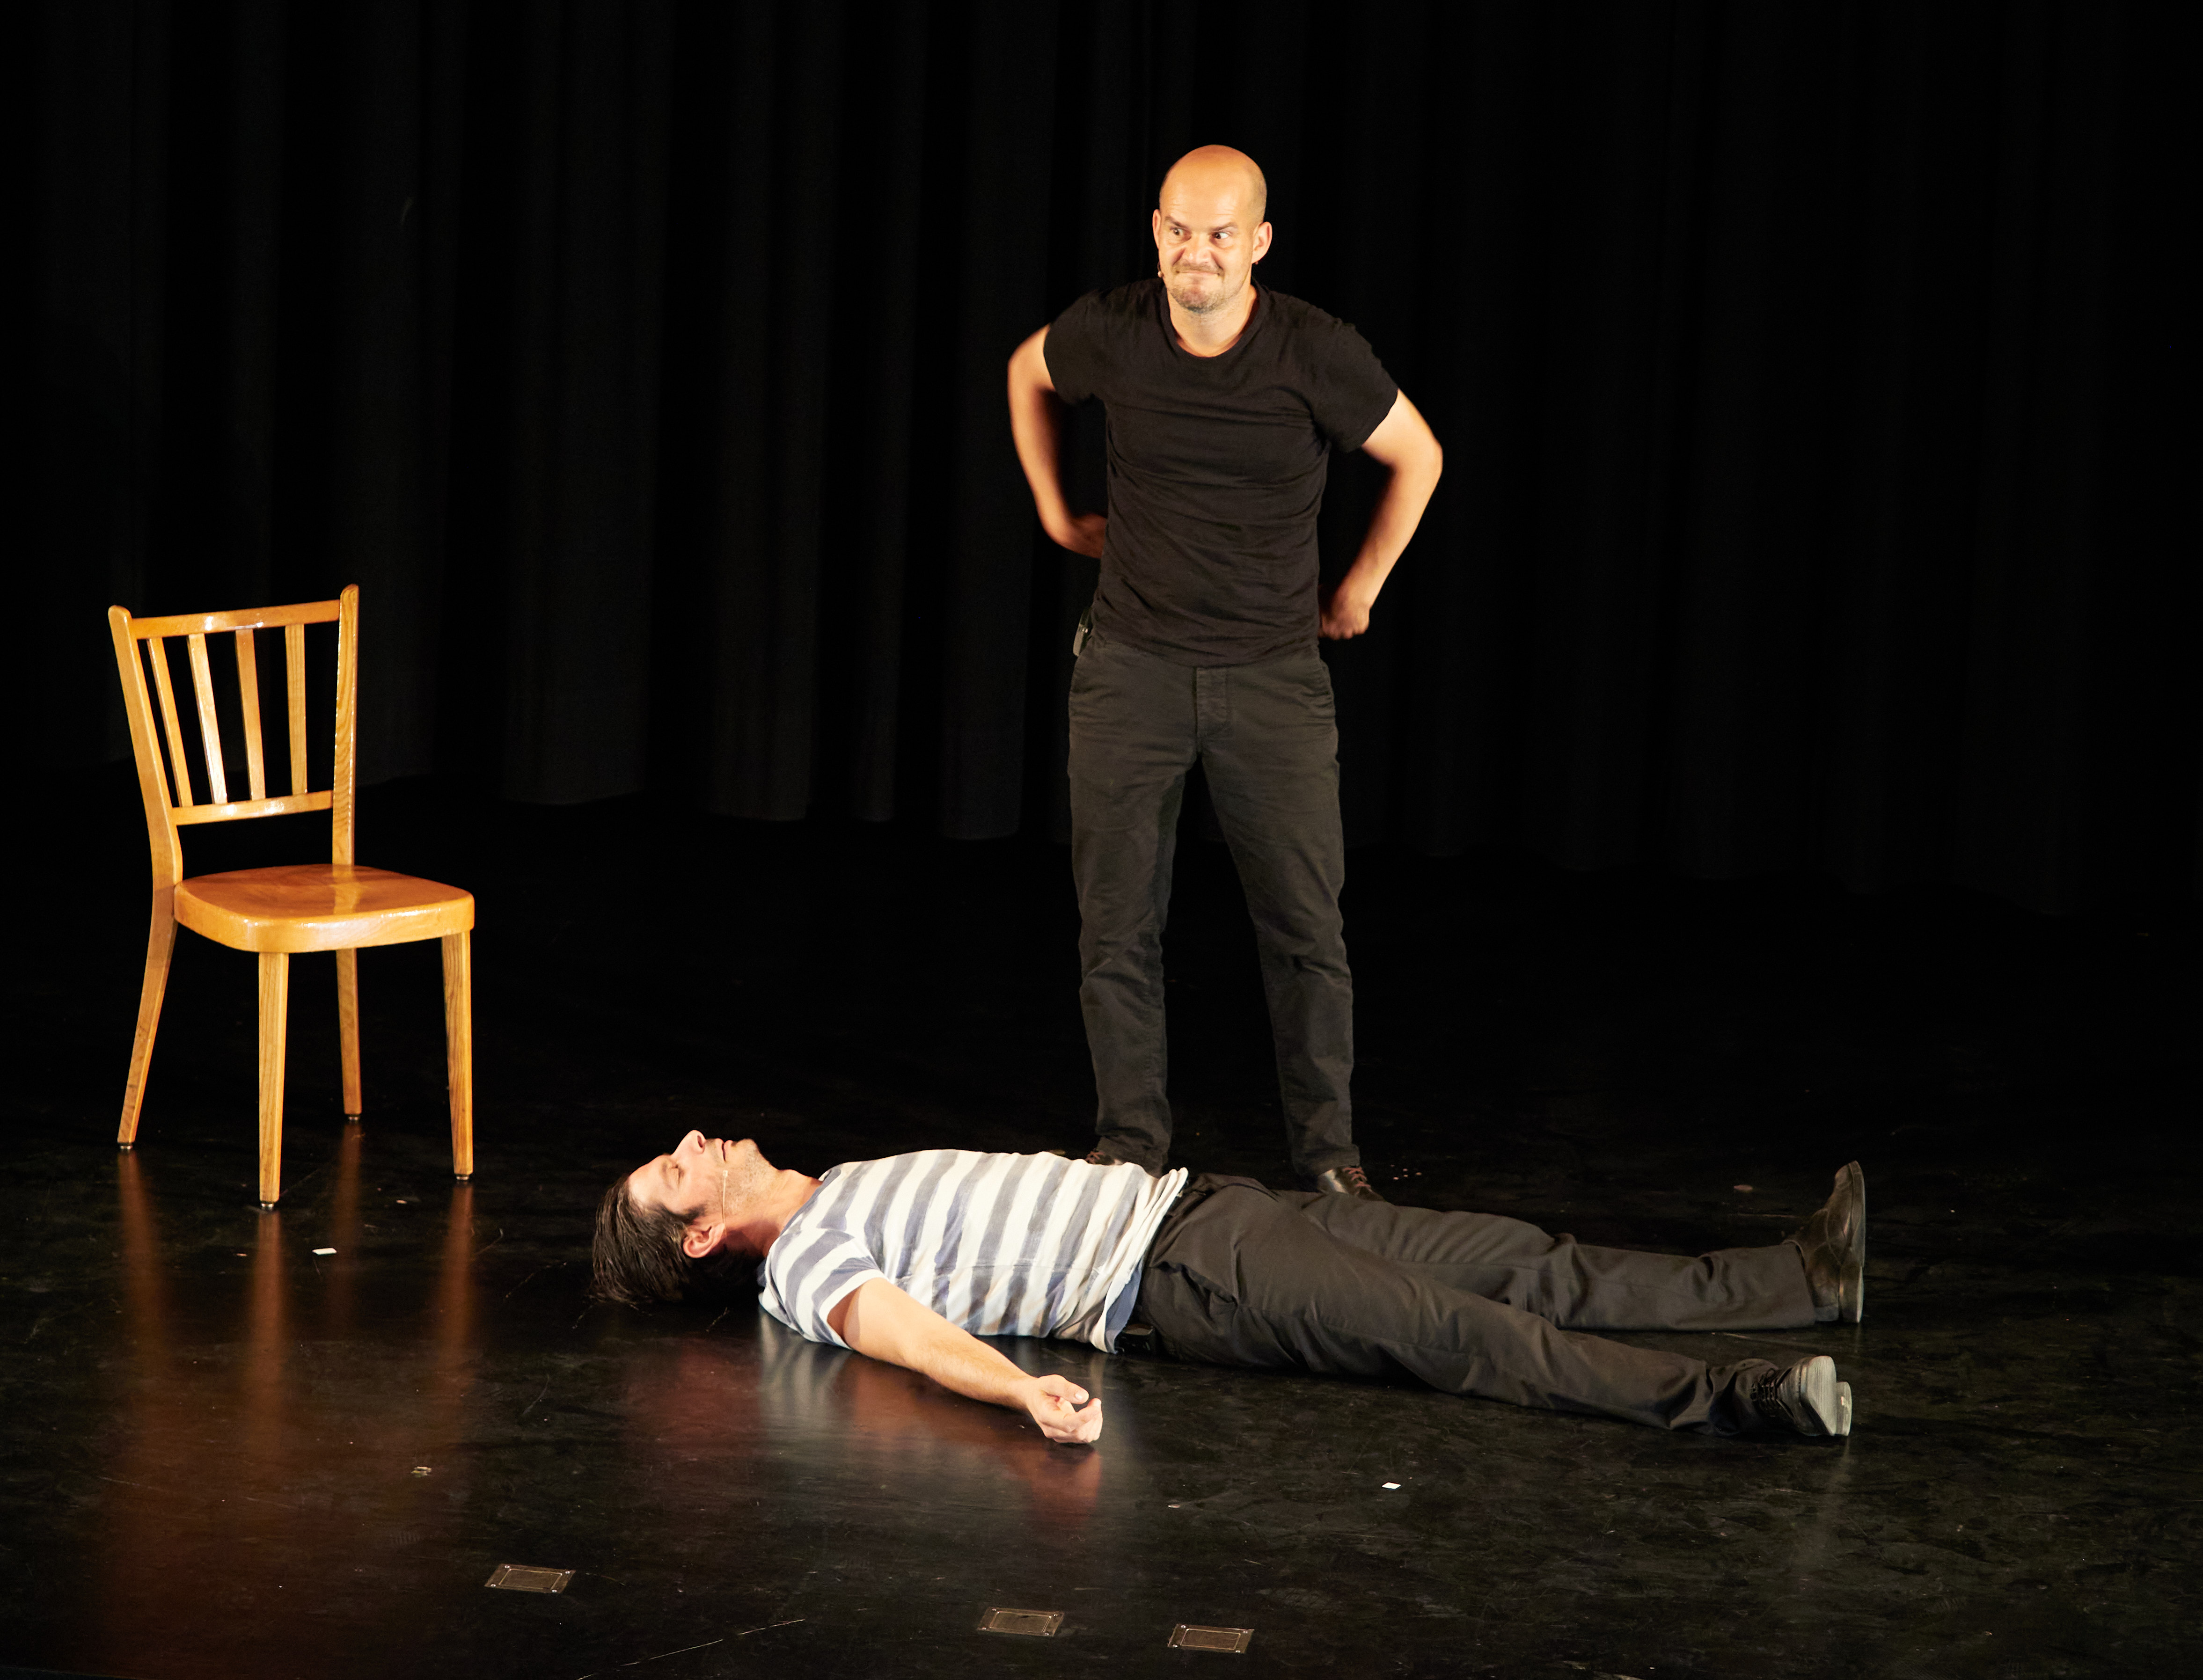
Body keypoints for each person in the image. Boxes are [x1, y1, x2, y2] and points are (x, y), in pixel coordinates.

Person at [1007, 145, 1444, 1198]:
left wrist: (1360, 589)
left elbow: (1419, 456)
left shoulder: (1314, 350)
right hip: (1131, 673)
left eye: (1220, 234)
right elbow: (1028, 372)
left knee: (1305, 930)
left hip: (1270, 681)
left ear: (1258, 242)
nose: (1195, 252)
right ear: (1156, 230)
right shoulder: (1114, 329)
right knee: (1117, 926)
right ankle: (1127, 1149)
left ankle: (1329, 1156)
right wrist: (1056, 514)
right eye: (1178, 229)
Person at [592, 1130, 1866, 1445]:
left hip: (1207, 1205)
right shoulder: (805, 1264)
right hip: (1188, 1273)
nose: (695, 1140)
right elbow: (908, 1338)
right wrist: (1020, 1390)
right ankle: (1739, 1398)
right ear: (699, 1239)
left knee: (1523, 1259)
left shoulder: (834, 1185)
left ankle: (1800, 1274)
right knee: (1471, 1333)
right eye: (675, 1167)